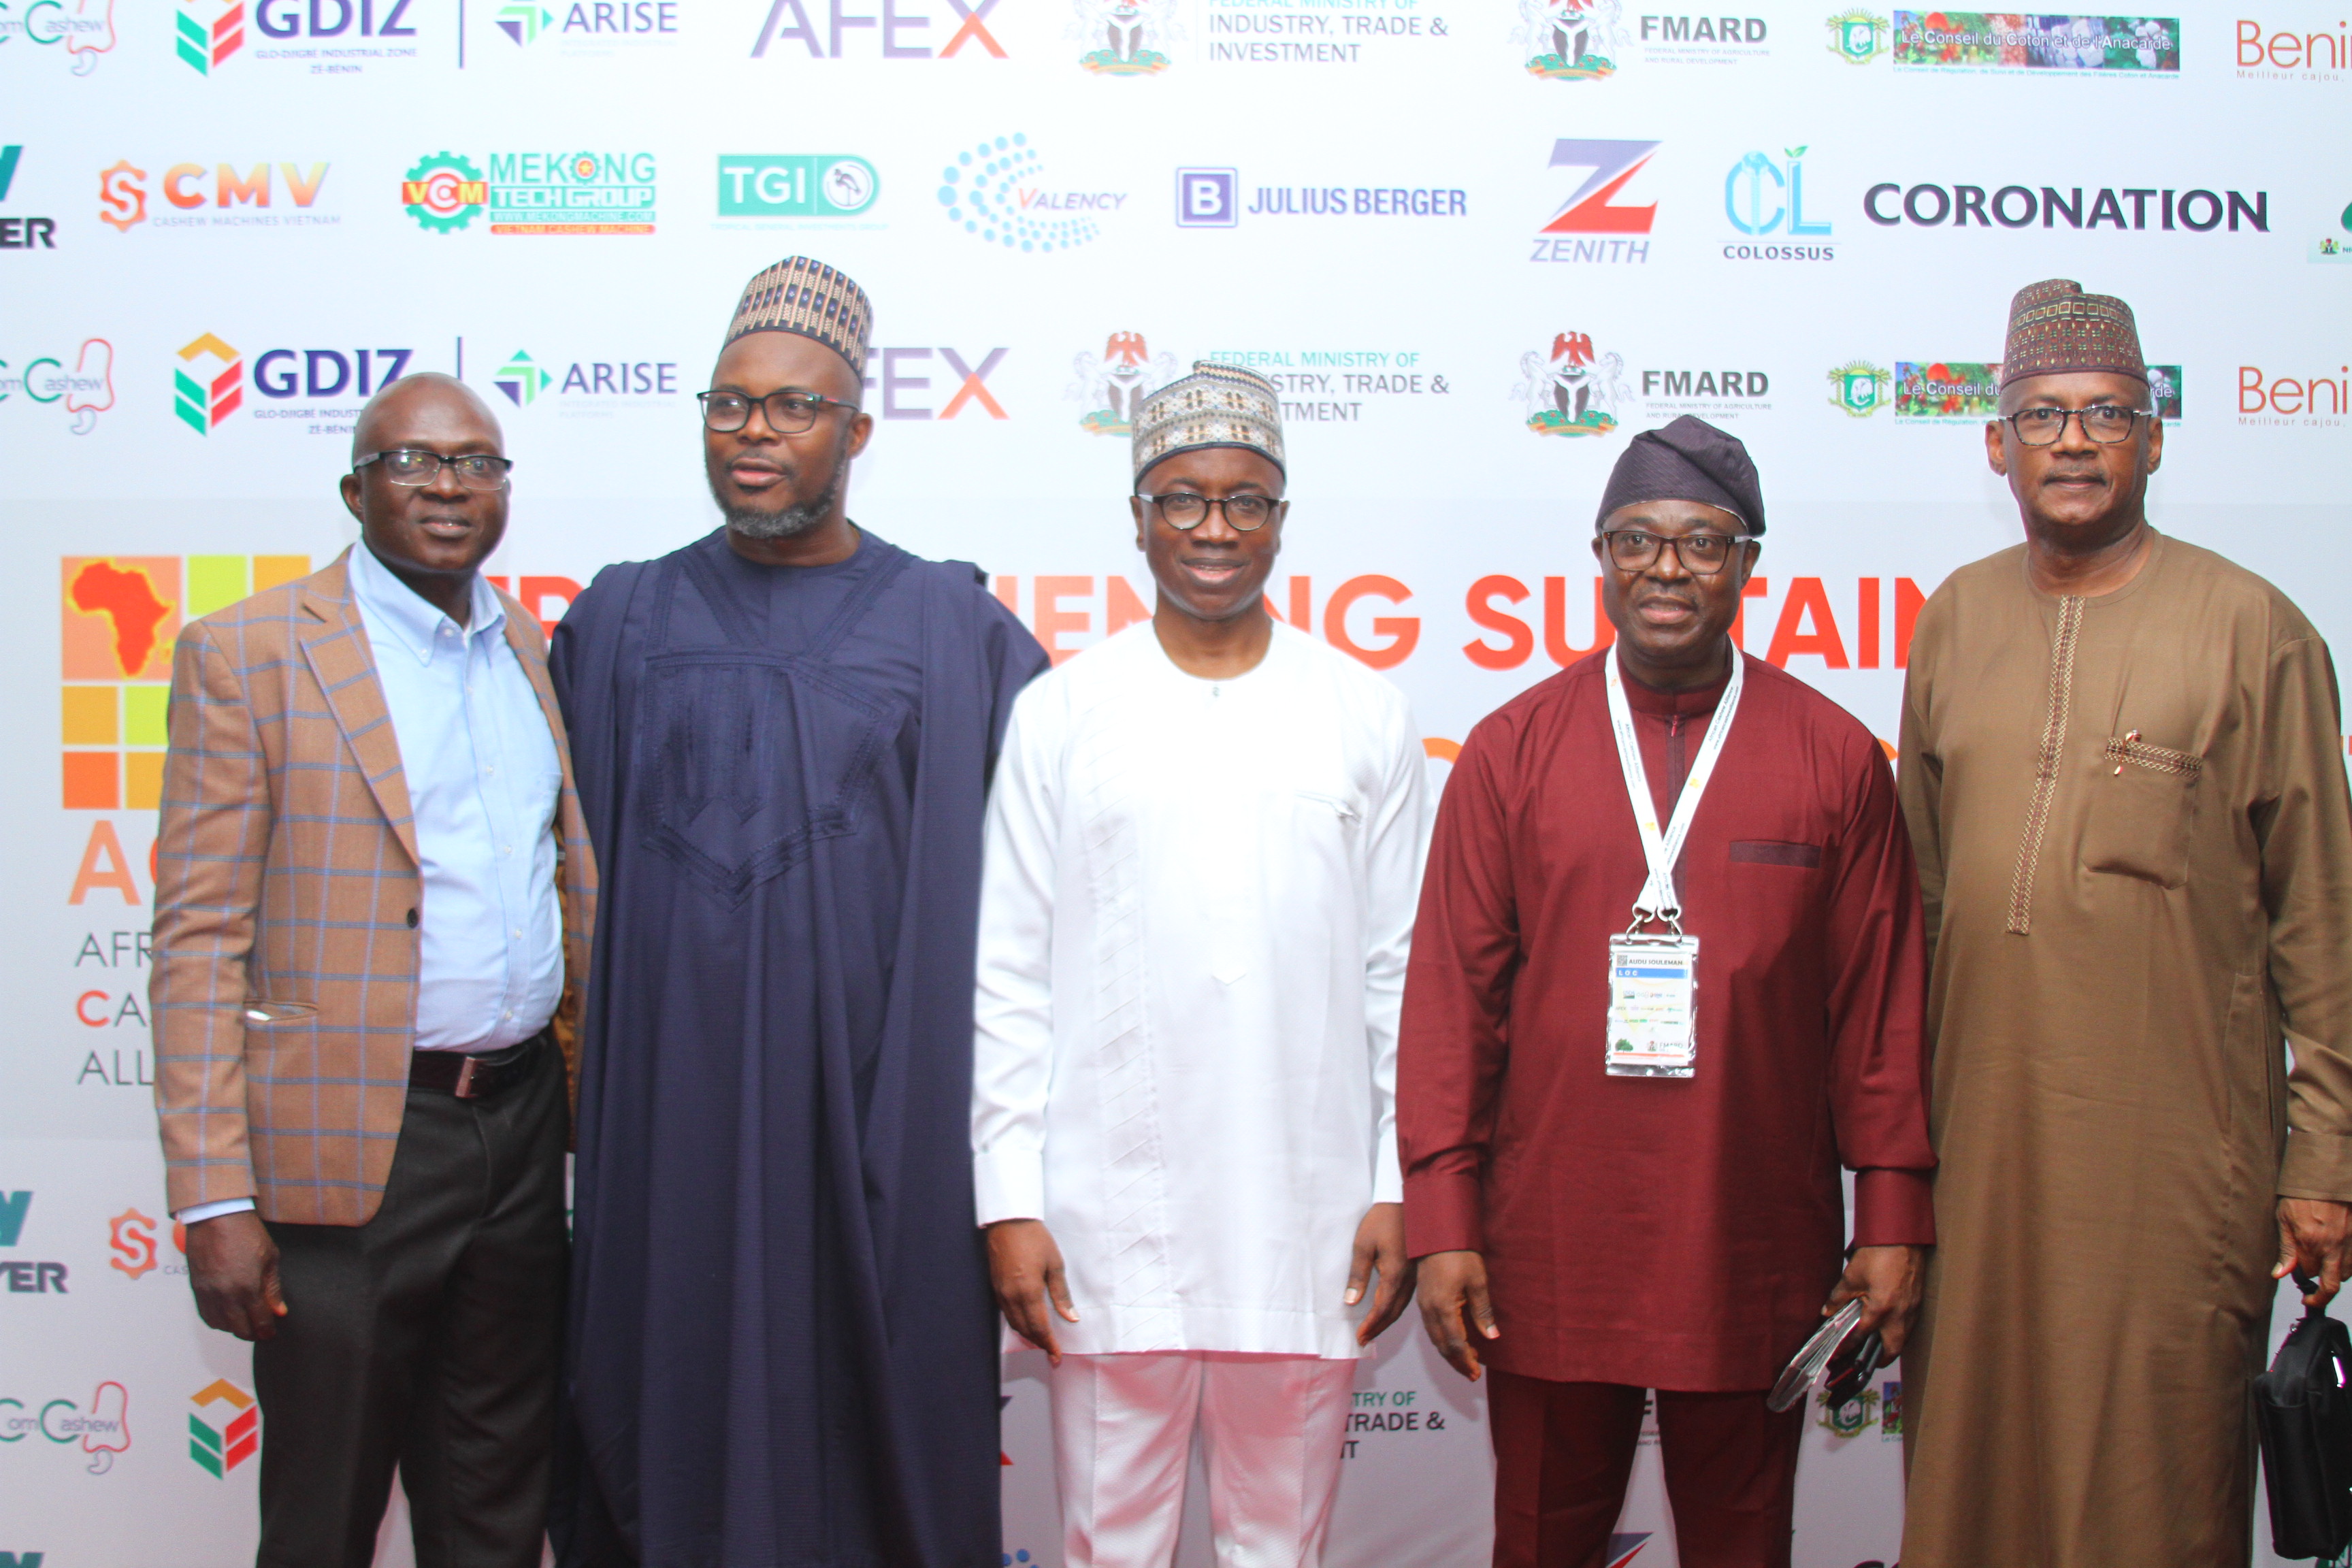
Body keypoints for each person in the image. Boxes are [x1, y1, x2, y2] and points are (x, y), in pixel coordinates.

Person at [550, 257, 1049, 1568]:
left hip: (879, 1122)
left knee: (871, 1439)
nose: (753, 434)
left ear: (856, 432)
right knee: (660, 1399)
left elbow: (1043, 903)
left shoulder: (952, 630)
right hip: (669, 1118)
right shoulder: (620, 618)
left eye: (792, 407)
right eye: (729, 405)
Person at [1399, 416, 1937, 1568]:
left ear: (1748, 563)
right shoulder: (1510, 751)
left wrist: (1892, 1214)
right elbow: (1453, 1006)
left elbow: (1879, 1018)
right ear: (1600, 556)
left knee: (1743, 1545)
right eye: (1637, 539)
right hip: (1549, 1244)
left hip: (1754, 1241)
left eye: (1703, 542)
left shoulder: (1834, 757)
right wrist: (1442, 1219)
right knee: (1540, 1540)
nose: (1667, 568)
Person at [1896, 280, 2352, 1566]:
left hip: (2176, 1164)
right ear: (1997, 445)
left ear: (2155, 439)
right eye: (2042, 416)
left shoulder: (2255, 630)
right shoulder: (1956, 618)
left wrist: (2324, 1160)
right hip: (1979, 1155)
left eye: (2107, 414)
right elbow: (1921, 905)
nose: (2075, 442)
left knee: (2153, 1482)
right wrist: (1890, 1160)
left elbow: (2322, 921)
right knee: (1975, 1470)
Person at [973, 363, 1428, 1568]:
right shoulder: (1064, 713)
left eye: (1245, 501)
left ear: (1282, 519)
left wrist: (1398, 1181)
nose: (1214, 529)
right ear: (1138, 518)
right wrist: (1009, 1197)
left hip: (1310, 1218)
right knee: (1107, 1546)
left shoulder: (1362, 711)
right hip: (1103, 1222)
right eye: (1182, 498)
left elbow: (1402, 977)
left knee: (1280, 1548)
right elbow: (1008, 975)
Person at [150, 371, 595, 1568]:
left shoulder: (529, 649)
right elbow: (197, 939)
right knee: (325, 1511)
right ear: (356, 490)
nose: (449, 485)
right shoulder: (249, 653)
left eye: (477, 463)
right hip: (347, 1145)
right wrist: (214, 1200)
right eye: (413, 461)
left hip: (518, 1130)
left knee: (496, 1498)